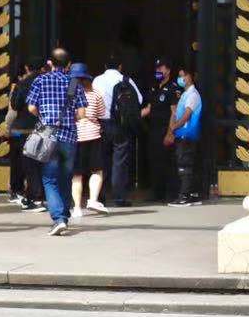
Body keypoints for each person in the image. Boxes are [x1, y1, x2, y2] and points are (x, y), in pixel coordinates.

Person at [26, 48, 78, 236]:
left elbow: (31, 107)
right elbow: (82, 113)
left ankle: (58, 219)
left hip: (48, 137)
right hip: (69, 137)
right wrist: (68, 119)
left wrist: (44, 117)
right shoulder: (74, 83)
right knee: (66, 178)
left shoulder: (40, 80)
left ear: (50, 63)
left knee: (49, 179)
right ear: (68, 64)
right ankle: (64, 216)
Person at [92, 57, 142, 208]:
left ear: (105, 66)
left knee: (101, 160)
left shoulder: (97, 80)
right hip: (120, 125)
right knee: (120, 161)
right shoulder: (126, 80)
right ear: (120, 66)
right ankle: (119, 197)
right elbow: (139, 100)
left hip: (101, 124)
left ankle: (99, 196)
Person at [68, 63, 108, 219]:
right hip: (93, 136)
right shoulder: (95, 94)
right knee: (97, 170)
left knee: (76, 175)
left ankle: (77, 208)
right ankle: (93, 200)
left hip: (75, 137)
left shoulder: (69, 95)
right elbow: (102, 113)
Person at [7, 59, 43, 210]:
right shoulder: (46, 83)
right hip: (40, 128)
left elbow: (14, 105)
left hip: (19, 130)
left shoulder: (21, 84)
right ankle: (35, 195)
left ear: (27, 67)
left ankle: (18, 191)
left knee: (19, 161)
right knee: (36, 163)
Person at [166, 64, 204, 206]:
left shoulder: (193, 95)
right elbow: (176, 112)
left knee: (184, 165)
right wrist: (172, 128)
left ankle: (184, 196)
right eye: (180, 76)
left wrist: (175, 126)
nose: (181, 79)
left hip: (187, 134)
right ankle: (192, 194)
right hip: (182, 134)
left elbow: (186, 115)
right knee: (186, 163)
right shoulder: (184, 94)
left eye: (184, 76)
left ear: (191, 77)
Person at [143, 58, 179, 203]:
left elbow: (174, 112)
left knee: (167, 163)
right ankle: (156, 193)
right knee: (155, 161)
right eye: (157, 68)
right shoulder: (155, 87)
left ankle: (170, 194)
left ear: (168, 70)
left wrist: (170, 133)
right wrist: (132, 117)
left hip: (165, 130)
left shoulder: (173, 88)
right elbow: (149, 108)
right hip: (153, 131)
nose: (158, 71)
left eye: (161, 68)